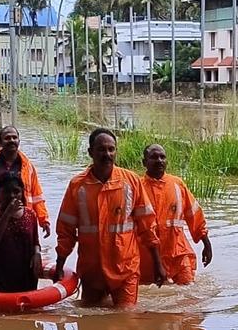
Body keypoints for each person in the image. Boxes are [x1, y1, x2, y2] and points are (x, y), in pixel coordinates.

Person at [53, 128, 164, 307]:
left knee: (126, 321)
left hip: (125, 268)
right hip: (91, 270)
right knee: (90, 325)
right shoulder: (77, 186)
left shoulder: (131, 181)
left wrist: (158, 264)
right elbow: (66, 230)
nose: (107, 154)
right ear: (90, 152)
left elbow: (148, 226)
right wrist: (60, 266)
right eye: (101, 149)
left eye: (111, 149)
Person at [137, 143, 213, 286]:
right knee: (150, 296)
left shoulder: (177, 184)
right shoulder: (137, 187)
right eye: (154, 157)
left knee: (189, 294)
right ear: (144, 162)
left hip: (178, 253)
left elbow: (194, 215)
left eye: (162, 157)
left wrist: (206, 244)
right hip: (147, 256)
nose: (159, 160)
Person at [0, 126, 50, 237]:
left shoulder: (28, 166)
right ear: (0, 142)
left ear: (19, 141)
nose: (11, 140)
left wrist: (44, 220)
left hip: (22, 220)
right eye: (7, 138)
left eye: (14, 137)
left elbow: (37, 196)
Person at [0, 172, 43, 292]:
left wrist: (37, 253)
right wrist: (7, 214)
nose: (12, 196)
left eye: (16, 191)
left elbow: (36, 242)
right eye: (7, 192)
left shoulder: (30, 214)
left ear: (22, 192)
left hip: (26, 277)